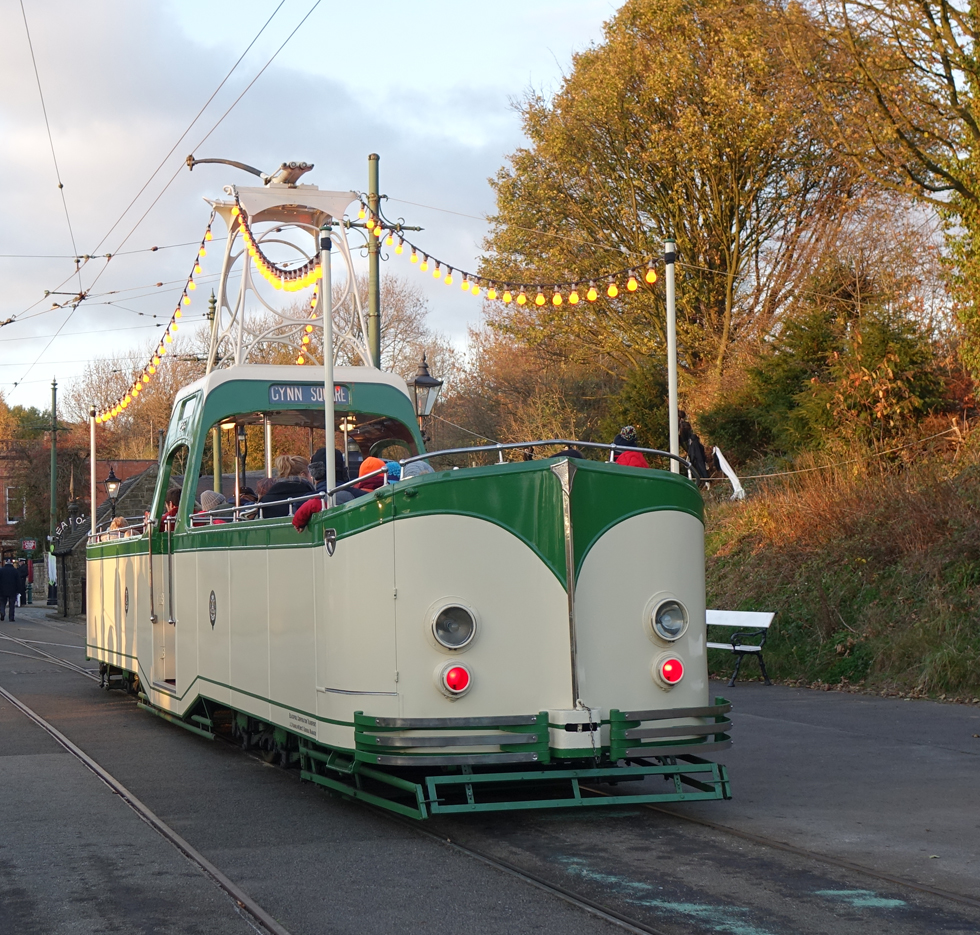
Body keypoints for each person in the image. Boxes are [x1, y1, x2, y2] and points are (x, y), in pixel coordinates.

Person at [259, 454, 316, 518]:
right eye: (309, 474)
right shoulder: (312, 497)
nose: (311, 478)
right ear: (303, 475)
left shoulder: (265, 501)